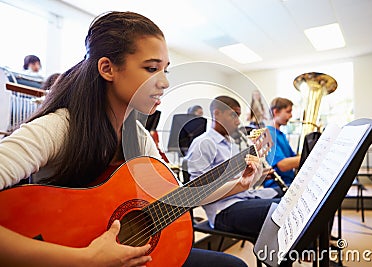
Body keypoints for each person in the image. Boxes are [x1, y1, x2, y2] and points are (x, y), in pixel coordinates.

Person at [0, 11, 247, 267]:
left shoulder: (137, 137)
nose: (164, 82)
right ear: (107, 68)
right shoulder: (59, 127)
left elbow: (173, 198)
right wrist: (86, 259)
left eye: (165, 70)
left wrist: (237, 184)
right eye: (152, 68)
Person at [185, 95, 282, 238]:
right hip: (223, 210)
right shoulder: (203, 143)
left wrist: (257, 176)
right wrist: (240, 183)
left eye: (239, 116)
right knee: (283, 209)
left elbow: (241, 179)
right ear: (217, 114)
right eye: (233, 115)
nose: (238, 122)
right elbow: (198, 194)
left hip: (244, 198)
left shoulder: (233, 144)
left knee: (288, 196)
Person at [264, 97, 300, 188]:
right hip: (276, 186)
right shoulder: (268, 134)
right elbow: (283, 165)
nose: (291, 115)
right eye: (288, 111)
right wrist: (310, 158)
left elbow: (293, 158)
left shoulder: (281, 134)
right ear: (276, 112)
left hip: (288, 183)